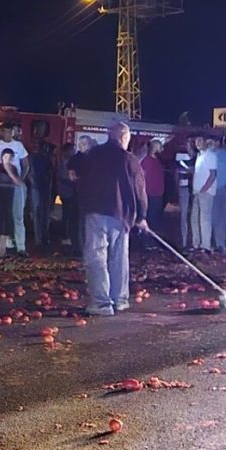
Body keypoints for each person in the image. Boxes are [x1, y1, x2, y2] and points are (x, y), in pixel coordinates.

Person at [78, 121, 149, 316]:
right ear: (124, 137)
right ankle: (119, 299)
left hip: (95, 211)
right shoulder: (129, 159)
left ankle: (101, 303)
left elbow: (80, 181)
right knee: (118, 258)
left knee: (96, 256)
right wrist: (141, 215)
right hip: (121, 215)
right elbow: (139, 189)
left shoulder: (92, 155)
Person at [0, 124, 30, 256]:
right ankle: (0, 247)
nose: (7, 134)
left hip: (15, 185)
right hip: (0, 186)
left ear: (14, 132)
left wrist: (20, 179)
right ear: (2, 132)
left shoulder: (19, 146)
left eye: (10, 131)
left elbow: (26, 164)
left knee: (18, 216)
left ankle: (21, 247)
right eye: (5, 131)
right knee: (0, 216)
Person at [0, 148, 22, 258]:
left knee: (6, 221)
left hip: (8, 195)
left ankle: (2, 250)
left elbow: (18, 182)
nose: (7, 159)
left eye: (10, 157)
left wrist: (8, 170)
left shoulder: (13, 168)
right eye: (5, 157)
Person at [67, 135, 96, 255]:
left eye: (86, 144)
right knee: (77, 221)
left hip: (92, 196)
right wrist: (86, 180)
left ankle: (87, 247)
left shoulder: (95, 158)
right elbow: (71, 177)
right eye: (81, 144)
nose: (83, 146)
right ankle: (77, 247)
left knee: (89, 223)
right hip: (76, 195)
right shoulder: (74, 159)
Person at [191, 136, 217, 251]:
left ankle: (205, 245)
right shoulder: (199, 156)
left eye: (200, 141)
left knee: (205, 219)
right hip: (197, 191)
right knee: (195, 218)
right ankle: (196, 243)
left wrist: (204, 189)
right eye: (196, 141)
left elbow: (213, 174)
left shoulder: (210, 155)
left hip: (206, 192)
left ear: (206, 142)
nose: (197, 143)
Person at [29, 138, 56, 247]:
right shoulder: (43, 158)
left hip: (39, 187)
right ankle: (41, 238)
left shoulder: (34, 157)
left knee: (38, 213)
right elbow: (50, 173)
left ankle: (40, 238)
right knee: (42, 213)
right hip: (42, 187)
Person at [141, 139, 166, 237]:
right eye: (160, 147)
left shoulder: (156, 161)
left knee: (155, 219)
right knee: (151, 218)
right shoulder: (147, 161)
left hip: (157, 194)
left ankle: (153, 240)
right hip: (151, 194)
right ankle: (148, 241)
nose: (162, 150)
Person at [56, 142, 78, 252]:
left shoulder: (68, 162)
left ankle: (67, 236)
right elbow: (63, 178)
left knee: (68, 215)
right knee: (67, 216)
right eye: (73, 150)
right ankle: (65, 237)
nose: (75, 152)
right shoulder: (65, 164)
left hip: (68, 193)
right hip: (67, 193)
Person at [174, 138, 196, 249]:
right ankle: (184, 240)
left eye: (190, 143)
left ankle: (193, 240)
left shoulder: (197, 156)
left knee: (193, 215)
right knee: (184, 215)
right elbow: (178, 172)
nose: (189, 145)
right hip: (184, 188)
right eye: (187, 143)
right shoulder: (180, 155)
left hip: (195, 189)